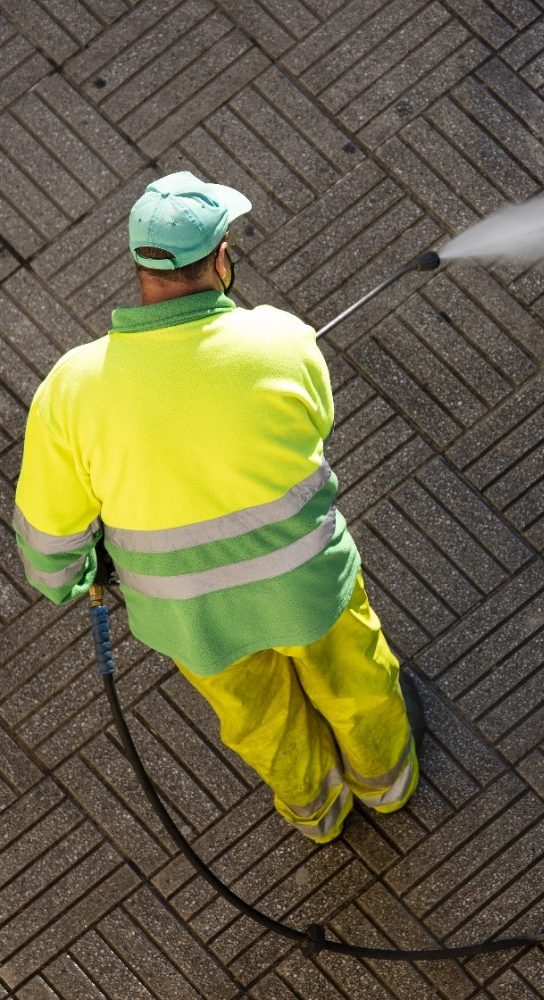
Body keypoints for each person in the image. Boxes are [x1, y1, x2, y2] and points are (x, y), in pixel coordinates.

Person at [13, 171, 421, 844]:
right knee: (355, 680)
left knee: (259, 719)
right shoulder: (284, 340)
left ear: (140, 266)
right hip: (306, 587)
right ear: (223, 258)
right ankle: (388, 784)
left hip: (191, 617)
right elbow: (314, 430)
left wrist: (78, 580)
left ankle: (316, 813)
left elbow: (50, 547)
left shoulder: (71, 390)